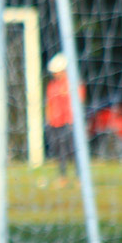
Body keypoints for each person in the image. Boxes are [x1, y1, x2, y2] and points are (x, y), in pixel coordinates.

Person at [44, 53, 85, 186]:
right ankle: (63, 177)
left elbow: (80, 100)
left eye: (57, 72)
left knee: (74, 151)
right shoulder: (52, 85)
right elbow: (49, 103)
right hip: (55, 123)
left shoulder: (73, 83)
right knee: (59, 152)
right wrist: (48, 120)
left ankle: (80, 178)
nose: (55, 74)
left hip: (70, 122)